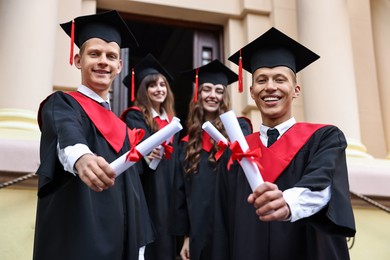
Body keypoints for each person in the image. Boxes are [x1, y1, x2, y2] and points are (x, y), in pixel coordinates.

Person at [221, 27, 356, 260]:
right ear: (252, 92)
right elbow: (221, 218)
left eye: (280, 79)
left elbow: (323, 188)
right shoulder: (236, 152)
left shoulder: (324, 138)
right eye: (261, 80)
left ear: (296, 90)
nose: (270, 87)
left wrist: (287, 203)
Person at [33, 10, 155, 260]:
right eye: (94, 54)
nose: (103, 61)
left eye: (111, 56)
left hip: (121, 244)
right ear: (78, 60)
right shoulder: (63, 104)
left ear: (119, 66)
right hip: (78, 239)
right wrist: (82, 158)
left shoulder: (122, 128)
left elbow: (134, 192)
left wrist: (140, 245)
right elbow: (67, 136)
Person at [172, 60, 252, 260]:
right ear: (198, 95)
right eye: (207, 89)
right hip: (199, 227)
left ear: (224, 96)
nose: (212, 96)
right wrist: (187, 237)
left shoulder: (239, 129)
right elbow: (181, 191)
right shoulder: (187, 142)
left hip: (231, 222)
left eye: (218, 90)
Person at [120, 53, 178, 260]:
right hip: (149, 188)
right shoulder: (135, 116)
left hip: (170, 187)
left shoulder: (172, 122)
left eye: (163, 85)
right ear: (143, 90)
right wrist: (146, 153)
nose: (159, 89)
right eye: (152, 85)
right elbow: (138, 151)